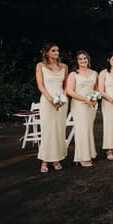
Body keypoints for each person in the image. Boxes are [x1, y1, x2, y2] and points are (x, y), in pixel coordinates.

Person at [35, 43, 69, 173]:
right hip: (47, 101)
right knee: (48, 130)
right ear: (47, 53)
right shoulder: (40, 66)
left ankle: (56, 159)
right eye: (53, 50)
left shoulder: (64, 67)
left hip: (62, 102)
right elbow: (40, 86)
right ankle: (45, 160)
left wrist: (62, 99)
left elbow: (66, 86)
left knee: (59, 131)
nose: (56, 53)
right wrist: (52, 100)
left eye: (57, 50)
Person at [66, 50, 98, 167]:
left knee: (88, 129)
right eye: (80, 59)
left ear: (88, 59)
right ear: (77, 61)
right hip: (79, 105)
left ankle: (88, 154)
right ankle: (82, 157)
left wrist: (95, 98)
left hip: (91, 105)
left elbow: (96, 89)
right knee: (82, 130)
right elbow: (69, 91)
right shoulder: (73, 74)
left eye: (85, 58)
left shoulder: (94, 73)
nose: (83, 60)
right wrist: (84, 99)